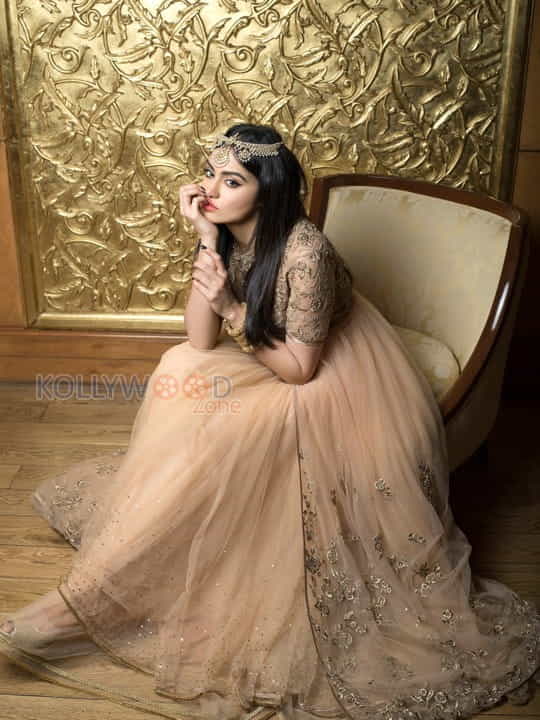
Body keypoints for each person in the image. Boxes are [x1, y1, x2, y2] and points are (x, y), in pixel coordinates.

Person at [0, 123, 539, 720]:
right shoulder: (226, 232)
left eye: (232, 181)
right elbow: (199, 339)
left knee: (234, 429)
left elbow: (301, 371)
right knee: (181, 371)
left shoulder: (306, 254)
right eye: (210, 174)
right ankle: (108, 585)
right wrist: (206, 241)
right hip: (273, 351)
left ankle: (84, 605)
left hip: (331, 374)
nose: (211, 190)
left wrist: (232, 305)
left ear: (269, 191)